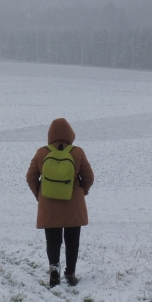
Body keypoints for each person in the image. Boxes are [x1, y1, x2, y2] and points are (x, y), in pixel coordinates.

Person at [26, 118, 94, 288]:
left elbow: (30, 177)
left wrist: (39, 194)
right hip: (73, 204)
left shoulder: (42, 153)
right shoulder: (77, 152)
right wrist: (81, 191)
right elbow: (89, 177)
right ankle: (70, 274)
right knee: (72, 240)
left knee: (53, 240)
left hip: (49, 205)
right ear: (71, 133)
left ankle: (54, 271)